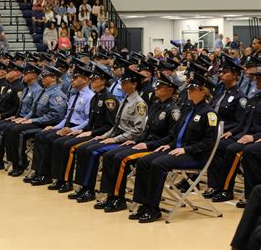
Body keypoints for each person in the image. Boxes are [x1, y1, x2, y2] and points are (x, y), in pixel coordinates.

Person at [129, 72, 218, 223]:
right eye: (188, 89)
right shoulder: (187, 110)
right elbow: (176, 135)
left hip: (195, 156)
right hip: (177, 151)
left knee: (158, 164)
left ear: (203, 92)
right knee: (144, 161)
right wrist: (168, 145)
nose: (188, 91)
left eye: (193, 89)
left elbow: (208, 143)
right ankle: (143, 204)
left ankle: (153, 208)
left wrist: (186, 149)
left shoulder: (209, 114)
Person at [95, 73, 181, 211]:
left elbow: (172, 137)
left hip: (157, 147)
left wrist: (147, 144)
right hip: (145, 143)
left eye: (160, 87)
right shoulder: (155, 106)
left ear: (170, 90)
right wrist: (136, 141)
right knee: (109, 155)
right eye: (157, 86)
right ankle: (110, 195)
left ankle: (119, 198)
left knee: (120, 158)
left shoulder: (173, 110)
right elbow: (145, 130)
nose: (156, 89)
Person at [67, 68, 147, 202]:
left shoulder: (139, 103)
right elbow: (116, 126)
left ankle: (109, 194)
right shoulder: (125, 100)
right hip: (117, 137)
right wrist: (105, 136)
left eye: (125, 82)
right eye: (122, 82)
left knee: (95, 152)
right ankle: (85, 187)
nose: (122, 85)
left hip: (126, 140)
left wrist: (114, 139)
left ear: (134, 84)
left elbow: (137, 130)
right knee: (83, 149)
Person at [47, 64, 119, 192]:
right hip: (90, 132)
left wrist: (89, 132)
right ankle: (62, 179)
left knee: (75, 147)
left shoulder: (109, 100)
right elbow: (90, 121)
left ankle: (85, 187)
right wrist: (81, 130)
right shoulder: (95, 97)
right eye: (91, 79)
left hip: (101, 135)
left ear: (103, 81)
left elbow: (109, 125)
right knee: (60, 142)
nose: (91, 82)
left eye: (94, 80)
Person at [25, 65, 95, 186]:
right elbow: (67, 117)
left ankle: (60, 178)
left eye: (76, 78)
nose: (72, 80)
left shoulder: (90, 97)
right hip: (67, 125)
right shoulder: (74, 96)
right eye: (72, 77)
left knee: (55, 141)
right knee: (41, 135)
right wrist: (56, 127)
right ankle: (40, 172)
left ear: (85, 80)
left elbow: (88, 120)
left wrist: (72, 129)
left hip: (79, 128)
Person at [208, 64, 261, 204]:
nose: (256, 81)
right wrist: (232, 132)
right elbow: (243, 123)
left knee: (238, 150)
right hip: (244, 134)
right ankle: (217, 186)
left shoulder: (244, 97)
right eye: (256, 78)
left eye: (259, 79)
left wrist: (254, 137)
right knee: (217, 145)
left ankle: (236, 191)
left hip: (255, 137)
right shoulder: (254, 99)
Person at [3, 65, 67, 176]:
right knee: (10, 128)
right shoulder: (42, 92)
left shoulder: (57, 94)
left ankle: (21, 163)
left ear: (53, 78)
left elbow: (55, 116)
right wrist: (25, 119)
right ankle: (15, 162)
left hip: (47, 124)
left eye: (45, 76)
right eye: (42, 76)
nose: (42, 78)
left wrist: (33, 121)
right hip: (37, 121)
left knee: (18, 132)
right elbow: (33, 110)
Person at [0, 63, 43, 171]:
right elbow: (20, 106)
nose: (23, 74)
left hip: (32, 121)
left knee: (6, 130)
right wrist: (15, 116)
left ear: (33, 75)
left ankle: (18, 162)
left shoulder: (37, 90)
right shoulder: (26, 89)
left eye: (27, 73)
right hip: (21, 118)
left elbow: (34, 110)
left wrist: (26, 119)